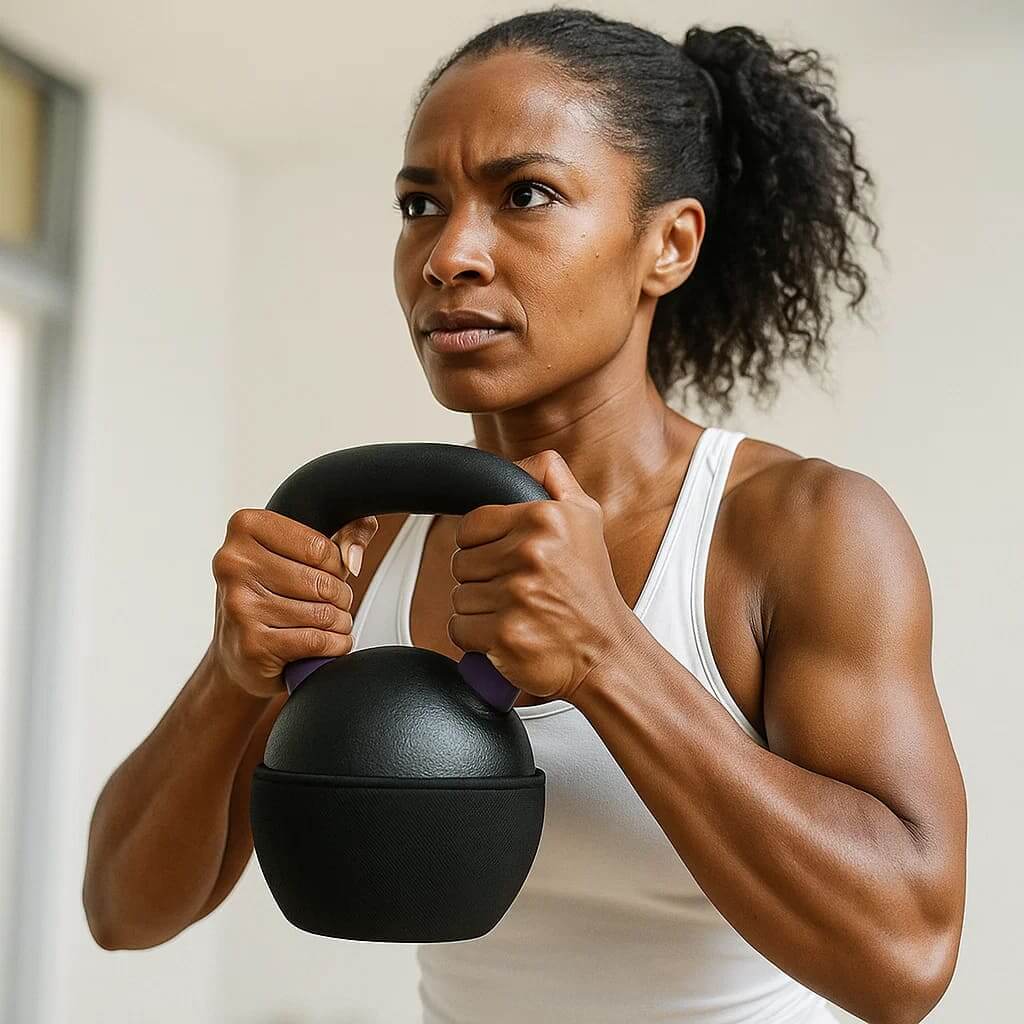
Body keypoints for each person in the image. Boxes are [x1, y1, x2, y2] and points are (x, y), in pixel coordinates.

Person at [83, 8, 967, 1024]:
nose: (448, 253)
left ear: (668, 244)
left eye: (526, 194)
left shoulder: (802, 527)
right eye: (420, 204)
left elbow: (905, 960)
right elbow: (124, 911)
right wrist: (227, 678)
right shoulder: (368, 545)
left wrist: (611, 656)